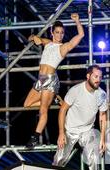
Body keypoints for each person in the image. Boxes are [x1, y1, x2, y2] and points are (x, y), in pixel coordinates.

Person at [24, 13, 84, 149]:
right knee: (27, 104)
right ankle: (54, 99)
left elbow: (80, 36)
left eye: (62, 33)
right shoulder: (47, 43)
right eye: (57, 32)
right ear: (52, 33)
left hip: (50, 79)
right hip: (41, 79)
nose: (59, 35)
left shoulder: (63, 47)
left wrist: (77, 21)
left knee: (43, 110)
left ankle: (34, 138)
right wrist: (34, 38)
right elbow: (31, 38)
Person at [52, 65, 107, 170]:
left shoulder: (101, 94)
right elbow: (62, 110)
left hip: (87, 130)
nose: (98, 80)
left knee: (95, 157)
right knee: (59, 160)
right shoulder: (75, 90)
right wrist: (61, 133)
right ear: (88, 76)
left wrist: (102, 139)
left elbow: (103, 116)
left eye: (100, 77)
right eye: (95, 77)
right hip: (70, 130)